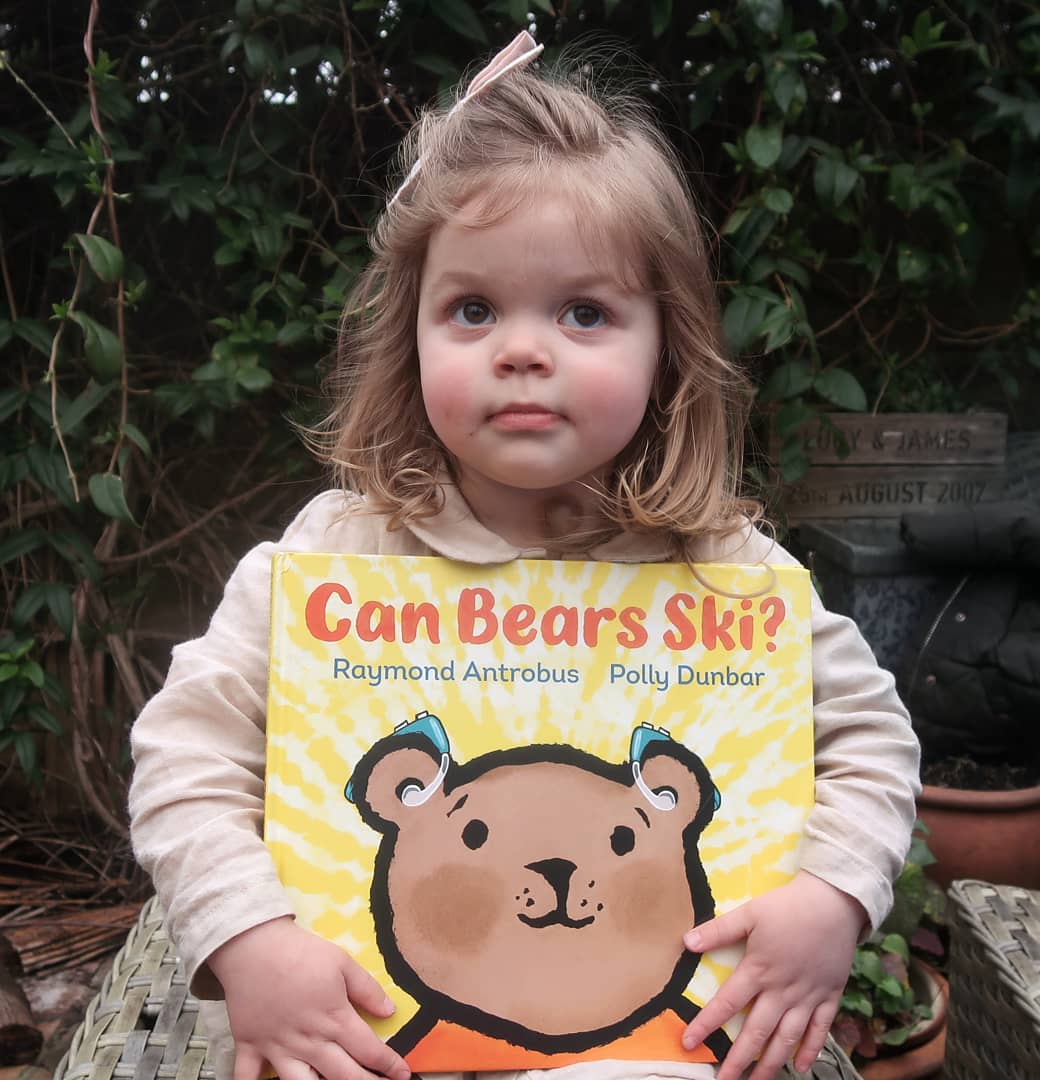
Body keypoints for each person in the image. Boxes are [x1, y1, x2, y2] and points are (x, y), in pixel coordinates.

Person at [129, 32, 920, 1080]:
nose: (522, 348)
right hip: (370, 1048)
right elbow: (185, 758)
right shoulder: (333, 557)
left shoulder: (734, 577)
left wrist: (832, 896)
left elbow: (872, 741)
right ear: (407, 338)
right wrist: (252, 942)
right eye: (472, 309)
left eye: (584, 312)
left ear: (668, 345)